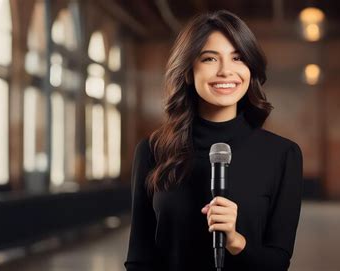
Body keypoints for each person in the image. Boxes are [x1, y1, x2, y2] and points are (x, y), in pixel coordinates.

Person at [124, 10, 303, 271]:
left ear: (250, 69)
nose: (225, 71)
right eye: (209, 58)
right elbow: (139, 259)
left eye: (238, 58)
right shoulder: (153, 151)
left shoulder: (283, 155)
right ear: (188, 71)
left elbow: (277, 263)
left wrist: (235, 241)